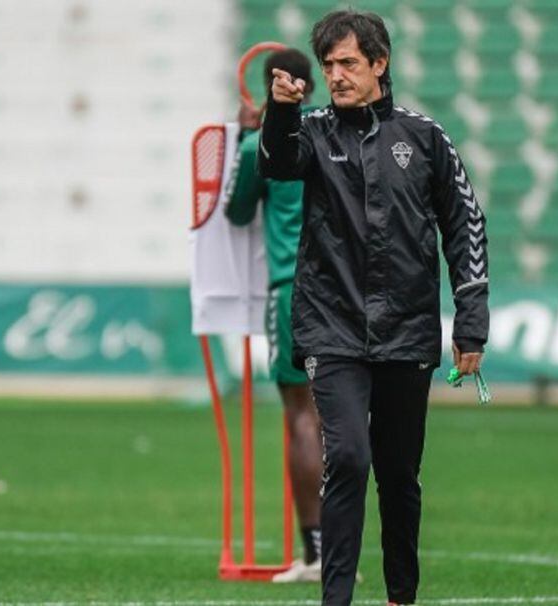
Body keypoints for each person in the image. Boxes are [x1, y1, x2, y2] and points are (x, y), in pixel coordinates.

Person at [258, 10, 490, 606]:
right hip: (330, 330)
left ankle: (400, 596)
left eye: (348, 63)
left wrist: (470, 324)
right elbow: (278, 163)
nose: (336, 75)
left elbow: (465, 224)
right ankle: (335, 599)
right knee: (350, 459)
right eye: (329, 65)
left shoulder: (424, 136)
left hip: (408, 332)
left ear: (379, 64)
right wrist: (281, 107)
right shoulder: (309, 130)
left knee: (398, 474)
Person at [225, 48, 324, 584]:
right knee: (337, 418)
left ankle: (316, 552)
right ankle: (341, 549)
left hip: (291, 288)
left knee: (301, 416)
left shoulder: (258, 143)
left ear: (268, 86)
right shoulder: (334, 136)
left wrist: (245, 137)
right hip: (344, 292)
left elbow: (237, 212)